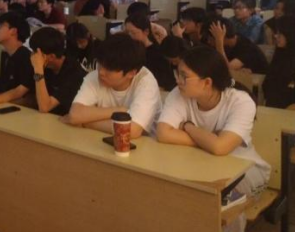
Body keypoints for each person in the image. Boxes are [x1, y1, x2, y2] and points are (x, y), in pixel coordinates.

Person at [156, 47, 271, 232]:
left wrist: (188, 126)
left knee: (222, 205)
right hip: (203, 165)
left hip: (245, 171)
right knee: (176, 195)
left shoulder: (240, 101)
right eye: (177, 73)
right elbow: (163, 133)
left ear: (207, 82)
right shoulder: (180, 93)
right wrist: (211, 141)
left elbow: (220, 148)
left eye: (184, 76)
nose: (178, 80)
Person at [64, 33, 161, 138]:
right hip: (102, 138)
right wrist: (120, 110)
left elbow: (131, 130)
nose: (101, 72)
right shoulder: (95, 76)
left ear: (131, 73)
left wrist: (86, 123)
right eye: (100, 64)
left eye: (109, 69)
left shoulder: (146, 82)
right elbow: (75, 115)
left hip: (145, 143)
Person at [124, 14, 176, 90]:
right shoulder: (128, 49)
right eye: (127, 32)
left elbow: (164, 82)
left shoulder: (157, 54)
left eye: (133, 33)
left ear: (146, 32)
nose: (129, 36)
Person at [263, 17, 295, 108]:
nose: (276, 36)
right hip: (274, 102)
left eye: (280, 33)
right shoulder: (280, 52)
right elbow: (269, 80)